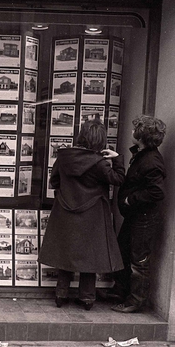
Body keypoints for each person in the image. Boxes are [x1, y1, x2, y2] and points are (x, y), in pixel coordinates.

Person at [38, 119, 125, 310]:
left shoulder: (64, 157)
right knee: (90, 256)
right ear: (100, 140)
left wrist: (65, 197)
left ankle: (61, 294)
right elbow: (118, 179)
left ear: (81, 136)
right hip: (93, 215)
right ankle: (87, 298)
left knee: (66, 253)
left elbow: (55, 182)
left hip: (66, 211)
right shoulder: (100, 164)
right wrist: (117, 158)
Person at [109, 115, 166, 313]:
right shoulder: (143, 154)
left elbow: (157, 192)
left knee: (138, 259)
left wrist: (130, 200)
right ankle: (121, 291)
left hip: (143, 218)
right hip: (135, 216)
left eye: (136, 129)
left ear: (141, 135)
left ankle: (135, 301)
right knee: (124, 252)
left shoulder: (152, 161)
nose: (132, 131)